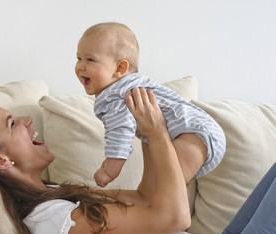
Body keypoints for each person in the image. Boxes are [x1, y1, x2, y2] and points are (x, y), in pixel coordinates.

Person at [0, 87, 276, 234]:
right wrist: (158, 133)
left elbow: (147, 199)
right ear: (0, 161)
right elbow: (176, 218)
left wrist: (145, 132)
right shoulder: (53, 225)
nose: (27, 121)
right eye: (12, 124)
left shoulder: (54, 195)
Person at [75, 22, 226, 187]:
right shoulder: (128, 85)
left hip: (192, 133)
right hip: (198, 130)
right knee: (157, 193)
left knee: (168, 190)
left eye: (90, 60)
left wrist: (109, 168)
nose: (81, 66)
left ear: (120, 68)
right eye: (79, 58)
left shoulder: (115, 94)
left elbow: (120, 131)